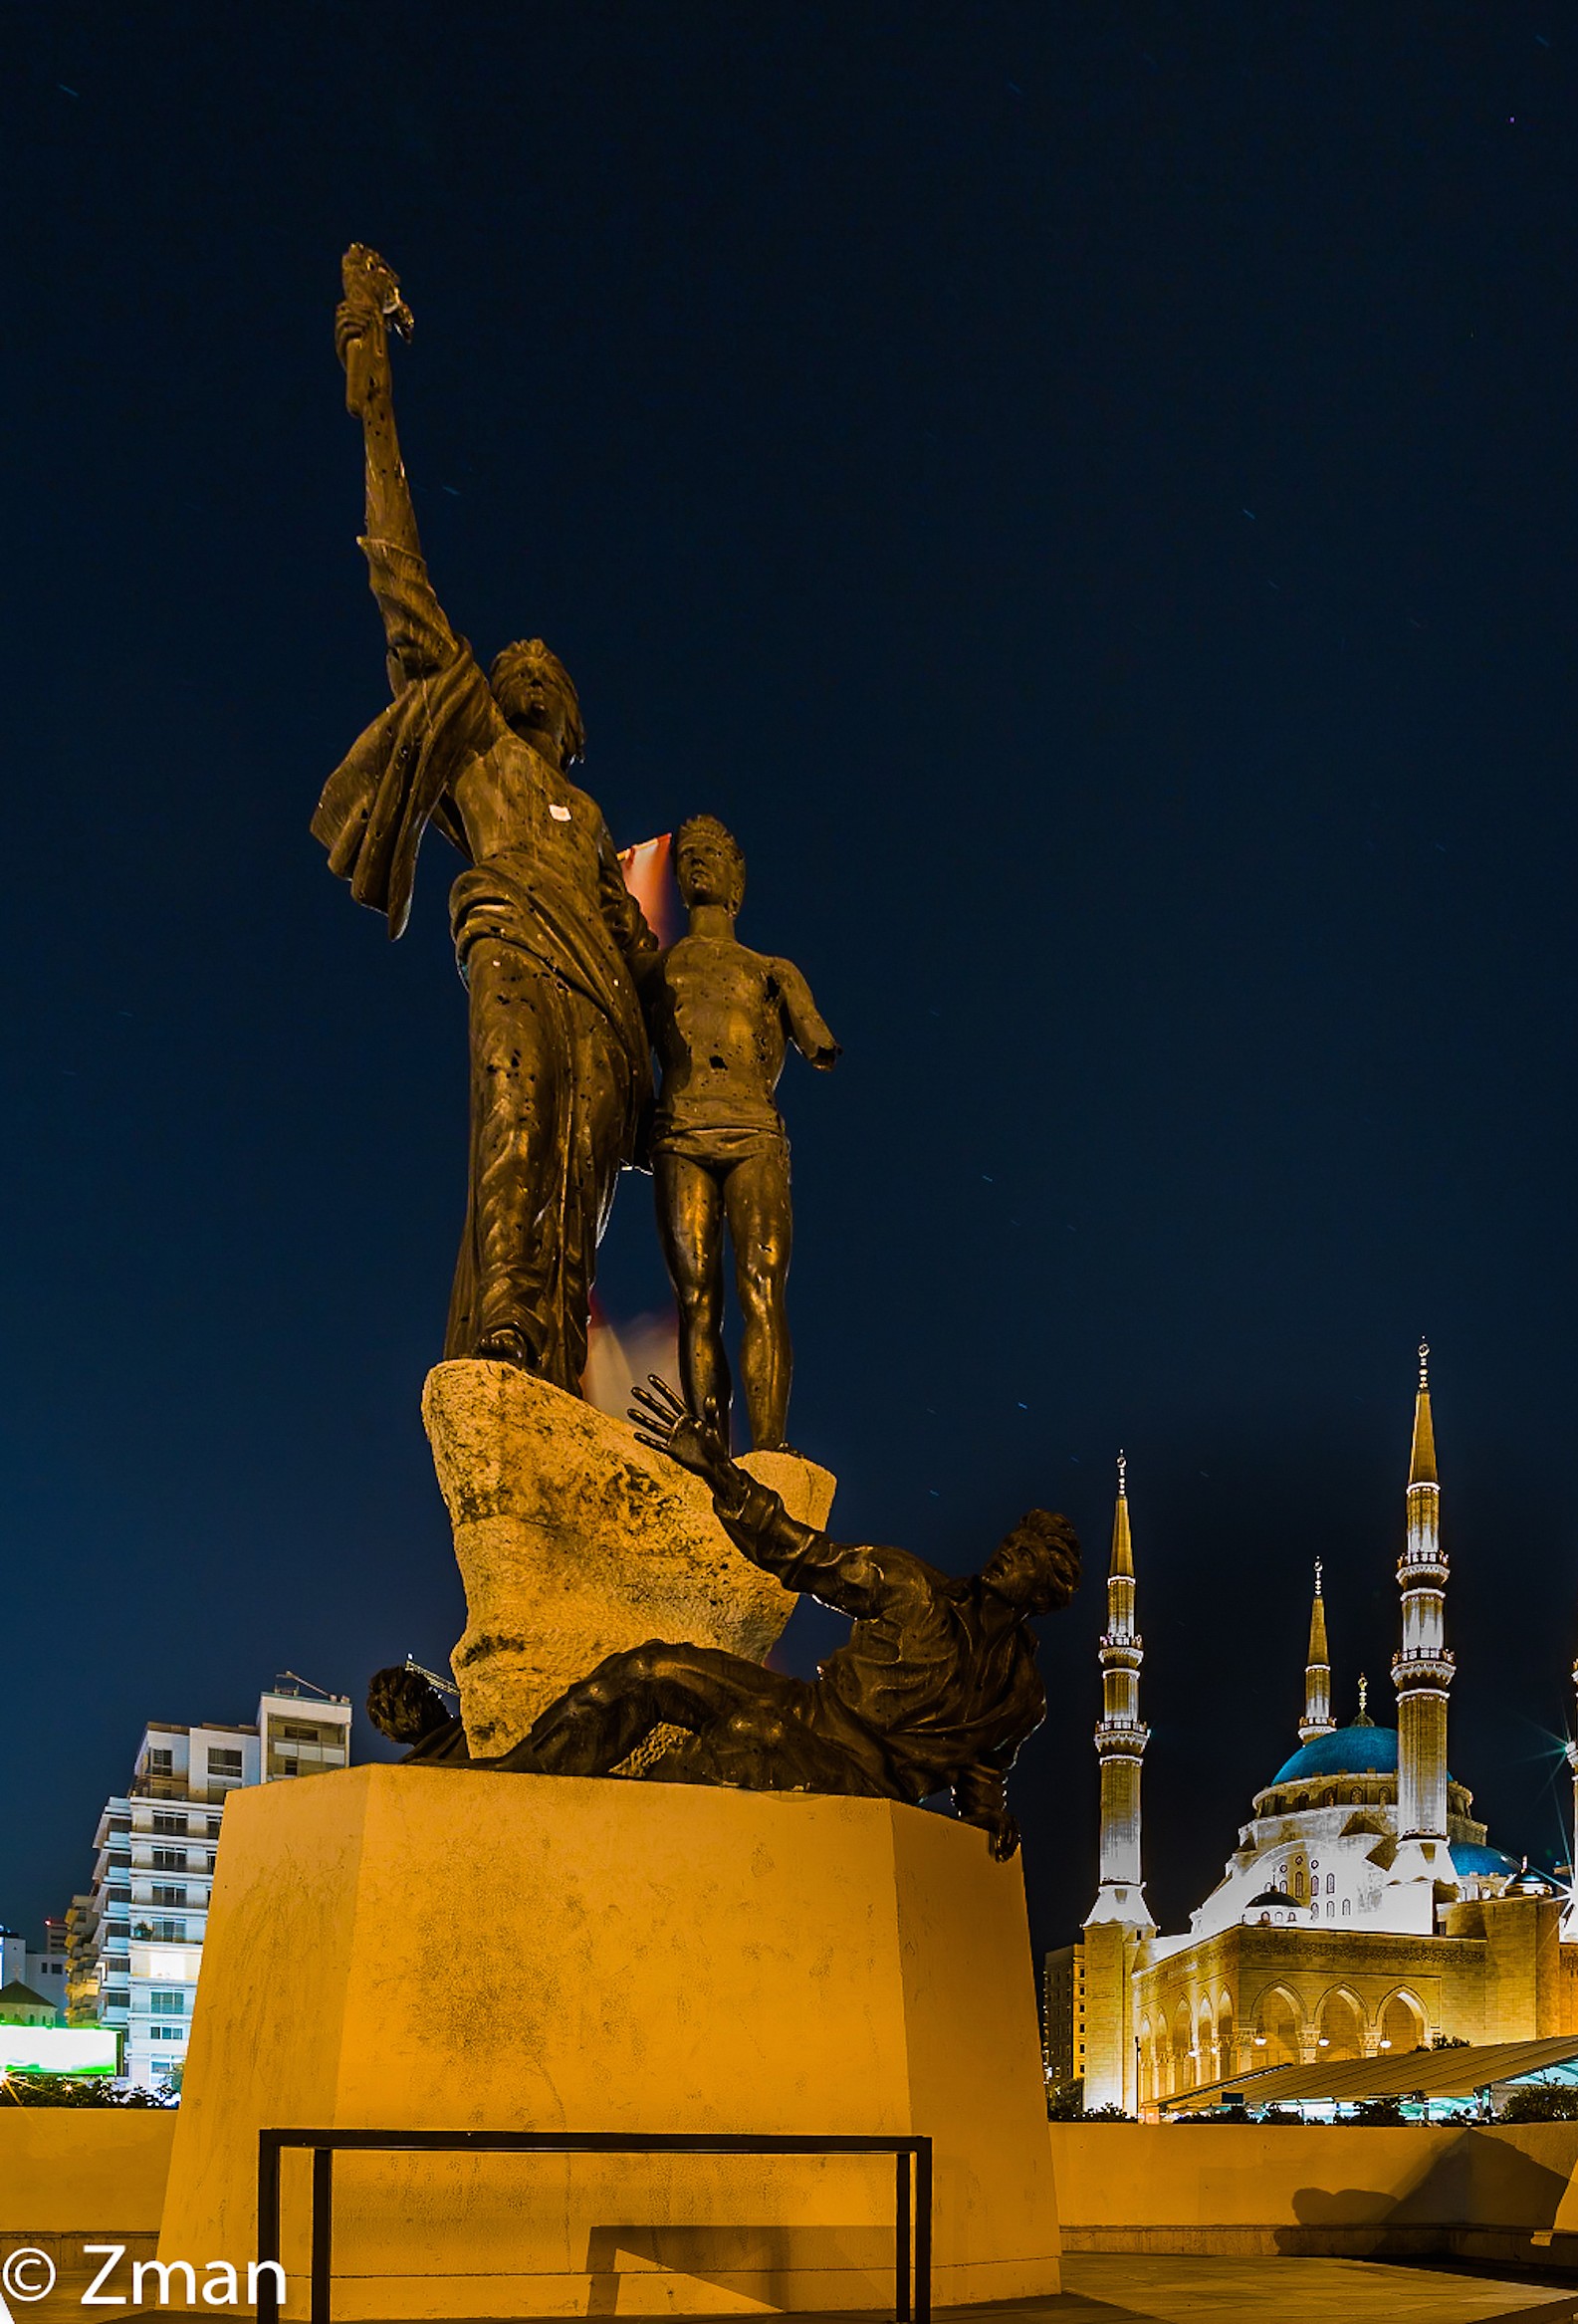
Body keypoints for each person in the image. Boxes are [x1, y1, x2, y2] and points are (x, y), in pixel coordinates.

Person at [311, 245, 658, 1393]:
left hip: (604, 1005)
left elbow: (638, 949)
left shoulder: (593, 812)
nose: (530, 670)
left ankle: (553, 1370)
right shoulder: (470, 740)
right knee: (516, 1152)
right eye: (516, 662)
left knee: (580, 1205)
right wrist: (372, 374)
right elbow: (400, 572)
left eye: (549, 670)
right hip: (511, 948)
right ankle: (506, 1346)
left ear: (577, 715)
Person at [491, 1379, 1078, 1857]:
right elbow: (799, 1554)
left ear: (1045, 1594)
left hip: (866, 1777)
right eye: (1012, 1541)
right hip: (809, 1708)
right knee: (655, 1668)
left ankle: (593, 1843)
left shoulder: (1020, 1697)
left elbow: (982, 1772)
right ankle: (497, 1785)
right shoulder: (911, 1587)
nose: (1007, 1554)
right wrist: (721, 1473)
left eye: (1026, 1556)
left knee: (752, 1741)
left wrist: (990, 1818)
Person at [649, 814, 839, 1450]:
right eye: (689, 857)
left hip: (754, 1129)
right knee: (697, 1296)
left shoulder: (771, 972)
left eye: (712, 855)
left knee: (762, 1287)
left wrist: (813, 1035)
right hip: (681, 1131)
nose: (698, 863)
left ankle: (770, 1446)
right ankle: (708, 1440)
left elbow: (817, 1037)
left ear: (738, 881)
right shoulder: (660, 969)